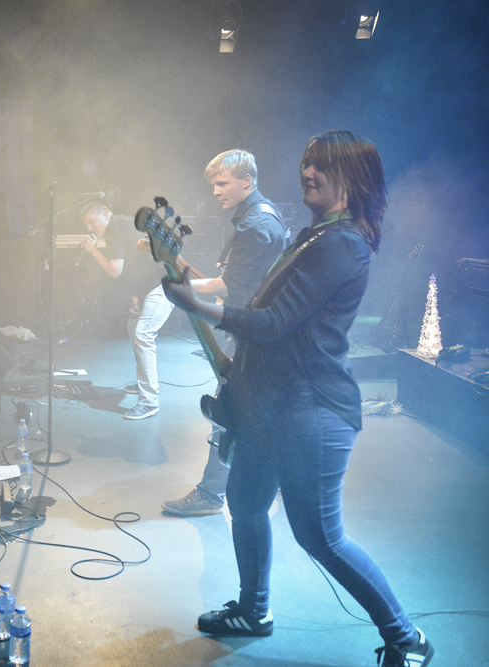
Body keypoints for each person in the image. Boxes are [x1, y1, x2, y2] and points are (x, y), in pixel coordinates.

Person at [161, 131, 433, 667]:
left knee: (320, 535)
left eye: (323, 165)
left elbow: (274, 322)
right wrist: (198, 291)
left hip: (311, 408)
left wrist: (200, 306)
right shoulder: (315, 235)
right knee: (244, 502)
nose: (307, 171)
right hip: (271, 403)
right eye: (306, 162)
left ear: (351, 179)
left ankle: (408, 639)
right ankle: (253, 610)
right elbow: (264, 303)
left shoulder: (341, 242)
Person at [162, 149, 288, 517]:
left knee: (226, 413)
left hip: (254, 336)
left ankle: (210, 495)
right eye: (213, 184)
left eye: (222, 183)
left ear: (246, 181)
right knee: (248, 414)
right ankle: (263, 484)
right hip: (262, 333)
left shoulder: (255, 227)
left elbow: (229, 288)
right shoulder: (261, 215)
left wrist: (182, 290)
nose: (215, 191)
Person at [81, 203, 171, 419]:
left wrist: (93, 251)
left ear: (105, 213)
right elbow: (138, 264)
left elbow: (115, 270)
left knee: (142, 334)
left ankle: (149, 402)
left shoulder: (114, 228)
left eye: (91, 222)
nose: (90, 228)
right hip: (150, 286)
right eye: (86, 225)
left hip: (162, 286)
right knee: (134, 326)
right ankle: (143, 384)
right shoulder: (122, 223)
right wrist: (136, 294)